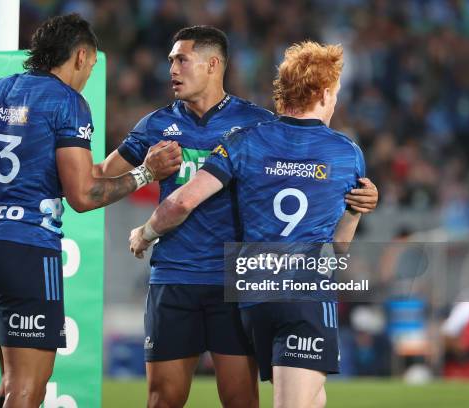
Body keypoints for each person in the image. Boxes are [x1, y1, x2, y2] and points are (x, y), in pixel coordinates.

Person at [0, 14, 180, 408]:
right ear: (82, 55)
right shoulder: (67, 102)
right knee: (28, 389)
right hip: (26, 252)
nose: (89, 73)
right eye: (92, 64)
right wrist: (145, 173)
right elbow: (83, 195)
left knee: (9, 381)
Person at [97, 26, 378, 407]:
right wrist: (145, 172)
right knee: (163, 399)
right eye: (170, 61)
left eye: (181, 59)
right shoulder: (155, 125)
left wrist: (358, 196)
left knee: (241, 400)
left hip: (235, 281)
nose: (172, 70)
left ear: (213, 64)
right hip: (176, 276)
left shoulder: (254, 126)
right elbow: (101, 177)